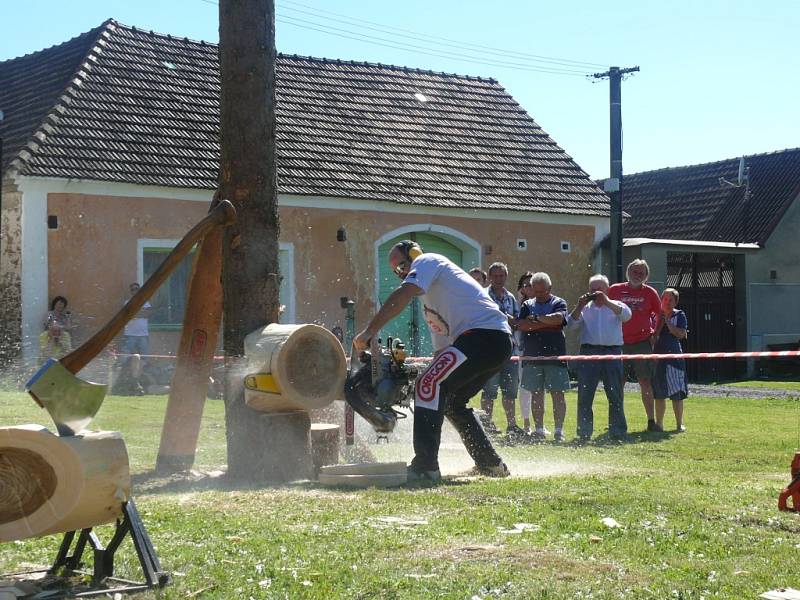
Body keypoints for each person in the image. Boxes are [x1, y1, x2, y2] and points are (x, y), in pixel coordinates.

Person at [353, 240, 512, 483]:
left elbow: (403, 294)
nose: (401, 273)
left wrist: (369, 331)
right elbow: (442, 353)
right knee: (450, 401)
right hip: (489, 341)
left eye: (402, 266)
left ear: (414, 256)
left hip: (483, 335)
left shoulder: (428, 260)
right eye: (396, 271)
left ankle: (425, 466)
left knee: (429, 383)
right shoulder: (432, 305)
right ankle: (490, 464)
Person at [566, 274, 632, 441]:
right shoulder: (585, 308)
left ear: (606, 290)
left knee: (615, 393)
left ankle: (617, 431)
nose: (595, 293)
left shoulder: (616, 305)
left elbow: (627, 316)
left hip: (613, 352)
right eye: (592, 290)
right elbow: (570, 327)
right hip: (589, 352)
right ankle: (584, 432)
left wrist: (607, 302)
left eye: (599, 289)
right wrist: (579, 306)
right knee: (585, 394)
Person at [608, 259, 663, 432]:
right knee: (619, 382)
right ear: (628, 272)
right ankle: (617, 420)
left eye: (641, 273)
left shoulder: (650, 292)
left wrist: (656, 333)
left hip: (642, 342)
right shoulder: (615, 290)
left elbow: (661, 314)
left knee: (644, 381)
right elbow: (604, 310)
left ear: (646, 276)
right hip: (619, 343)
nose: (637, 275)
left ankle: (651, 421)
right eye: (635, 272)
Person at [516, 273, 569, 442]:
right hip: (532, 356)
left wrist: (537, 320)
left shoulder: (559, 302)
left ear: (550, 288)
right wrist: (546, 323)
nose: (539, 295)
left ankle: (559, 431)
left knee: (557, 394)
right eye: (536, 291)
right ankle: (539, 429)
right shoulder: (526, 304)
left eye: (542, 292)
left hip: (555, 355)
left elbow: (559, 319)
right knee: (536, 394)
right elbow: (522, 325)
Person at [479, 262, 523, 439]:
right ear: (489, 277)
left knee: (510, 391)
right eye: (495, 276)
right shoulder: (483, 295)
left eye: (502, 276)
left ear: (506, 276)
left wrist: (512, 320)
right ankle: (487, 424)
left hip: (509, 351)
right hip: (490, 351)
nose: (499, 279)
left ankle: (512, 425)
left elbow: (517, 322)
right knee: (489, 390)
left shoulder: (510, 297)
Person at [653, 288, 688, 432]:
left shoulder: (680, 315)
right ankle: (659, 424)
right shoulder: (654, 315)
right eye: (665, 299)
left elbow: (680, 334)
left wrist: (667, 322)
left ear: (675, 302)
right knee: (658, 393)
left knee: (677, 393)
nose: (667, 302)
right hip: (657, 359)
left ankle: (679, 424)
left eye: (670, 300)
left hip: (674, 359)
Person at [516, 272, 535, 432]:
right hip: (522, 351)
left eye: (531, 284)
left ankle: (539, 425)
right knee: (524, 388)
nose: (528, 287)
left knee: (539, 389)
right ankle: (526, 423)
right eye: (525, 285)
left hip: (540, 350)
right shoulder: (518, 305)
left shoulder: (543, 303)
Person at [121, 282, 152, 359]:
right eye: (133, 289)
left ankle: (144, 370)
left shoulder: (145, 302)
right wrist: (141, 312)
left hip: (143, 334)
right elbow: (128, 315)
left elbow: (148, 314)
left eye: (137, 289)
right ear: (131, 291)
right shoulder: (127, 303)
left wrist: (134, 312)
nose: (135, 291)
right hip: (130, 334)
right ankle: (123, 370)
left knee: (145, 356)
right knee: (125, 357)